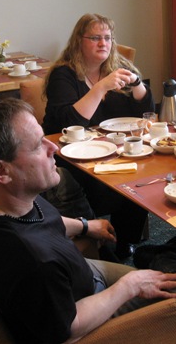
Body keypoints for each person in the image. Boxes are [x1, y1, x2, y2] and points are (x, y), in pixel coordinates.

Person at [0, 98, 176, 344]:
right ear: (1, 171)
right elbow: (68, 329)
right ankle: (165, 255)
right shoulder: (32, 262)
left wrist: (85, 225)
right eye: (37, 146)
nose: (53, 147)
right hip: (84, 311)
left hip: (78, 275)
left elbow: (40, 222)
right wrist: (130, 286)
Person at [42, 13, 154, 258]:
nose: (103, 43)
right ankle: (97, 238)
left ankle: (126, 241)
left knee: (141, 179)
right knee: (107, 188)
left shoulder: (117, 67)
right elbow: (71, 122)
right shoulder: (64, 75)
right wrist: (101, 86)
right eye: (95, 38)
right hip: (71, 156)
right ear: (79, 41)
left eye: (107, 38)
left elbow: (145, 111)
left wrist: (137, 83)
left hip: (112, 149)